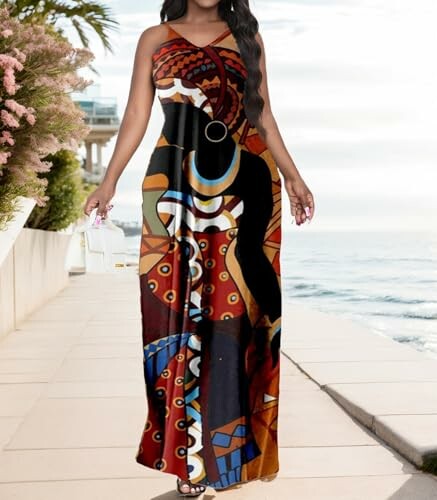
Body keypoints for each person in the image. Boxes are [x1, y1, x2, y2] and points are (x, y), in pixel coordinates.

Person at [84, 0, 315, 496]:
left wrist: (294, 176)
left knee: (240, 323)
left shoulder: (247, 38)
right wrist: (108, 182)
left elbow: (263, 115)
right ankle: (187, 462)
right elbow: (135, 116)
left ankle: (228, 461)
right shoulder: (155, 37)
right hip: (172, 189)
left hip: (245, 190)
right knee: (174, 324)